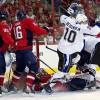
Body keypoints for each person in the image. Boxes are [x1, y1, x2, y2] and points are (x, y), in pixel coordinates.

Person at [10, 10, 49, 93]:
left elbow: (12, 37)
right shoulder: (28, 21)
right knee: (33, 67)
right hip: (26, 49)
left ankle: (12, 85)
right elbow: (37, 30)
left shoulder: (14, 24)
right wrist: (46, 31)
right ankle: (28, 86)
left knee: (19, 69)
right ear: (24, 16)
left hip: (18, 50)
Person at [0, 11, 14, 95]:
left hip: (2, 50)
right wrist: (14, 44)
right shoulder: (3, 25)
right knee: (1, 68)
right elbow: (6, 38)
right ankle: (0, 86)